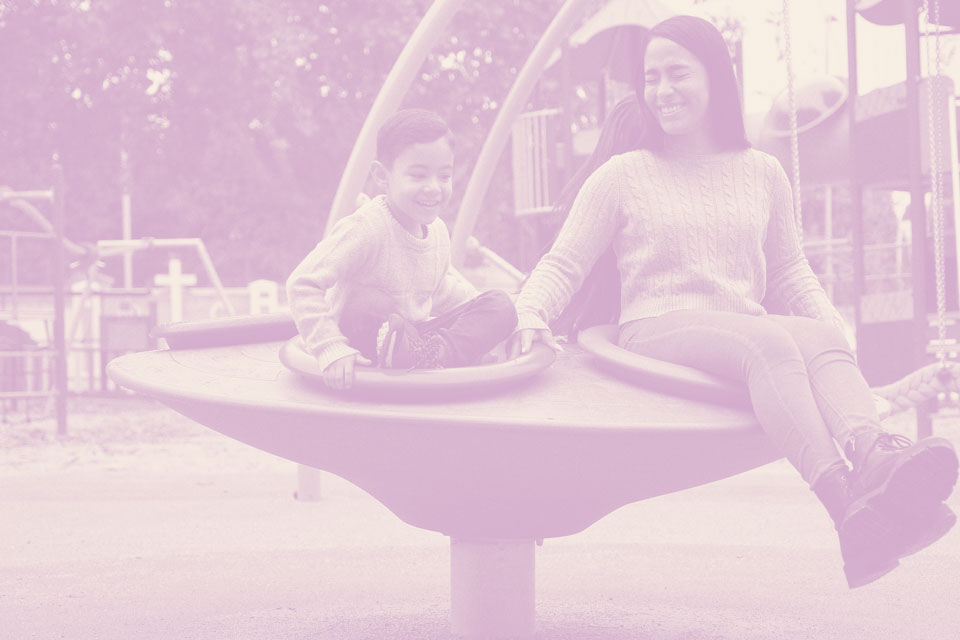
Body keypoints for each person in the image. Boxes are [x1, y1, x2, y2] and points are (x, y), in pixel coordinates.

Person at [509, 15, 958, 588]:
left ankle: (873, 460)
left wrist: (846, 365)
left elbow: (792, 273)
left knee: (815, 335)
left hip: (738, 329)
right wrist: (529, 313)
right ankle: (847, 506)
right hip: (655, 326)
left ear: (716, 78)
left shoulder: (763, 172)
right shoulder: (624, 175)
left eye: (676, 74)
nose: (662, 91)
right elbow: (563, 262)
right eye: (651, 78)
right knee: (769, 337)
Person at [287, 108, 517, 390]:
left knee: (500, 305)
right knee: (377, 315)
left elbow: (440, 287)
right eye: (418, 176)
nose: (434, 187)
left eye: (444, 176)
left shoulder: (438, 231)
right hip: (364, 337)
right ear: (382, 177)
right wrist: (330, 347)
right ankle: (424, 355)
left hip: (412, 340)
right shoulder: (367, 227)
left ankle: (437, 355)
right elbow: (302, 283)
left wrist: (486, 315)